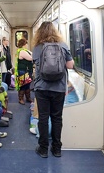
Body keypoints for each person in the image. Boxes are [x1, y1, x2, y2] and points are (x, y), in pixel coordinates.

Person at [32, 22, 74, 158]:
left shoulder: (38, 47)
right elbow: (70, 65)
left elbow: (36, 64)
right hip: (59, 87)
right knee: (57, 117)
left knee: (43, 118)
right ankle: (56, 149)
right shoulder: (62, 45)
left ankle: (43, 149)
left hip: (42, 87)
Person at [15, 38, 33, 105]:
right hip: (23, 70)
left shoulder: (26, 51)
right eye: (26, 43)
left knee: (27, 84)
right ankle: (21, 99)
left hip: (27, 70)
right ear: (24, 44)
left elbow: (32, 55)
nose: (27, 44)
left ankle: (28, 98)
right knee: (23, 85)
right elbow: (31, 58)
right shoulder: (22, 51)